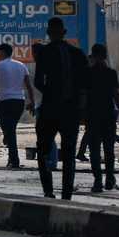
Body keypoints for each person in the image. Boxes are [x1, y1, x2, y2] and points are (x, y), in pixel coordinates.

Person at [33, 17, 87, 200]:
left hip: (50, 108)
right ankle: (67, 193)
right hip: (71, 110)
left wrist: (50, 93)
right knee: (69, 153)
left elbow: (38, 81)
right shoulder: (78, 54)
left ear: (49, 33)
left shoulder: (45, 53)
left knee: (43, 150)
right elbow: (84, 86)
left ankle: (48, 190)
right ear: (64, 33)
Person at [0, 43, 34, 168]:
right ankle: (11, 155)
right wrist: (32, 102)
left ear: (3, 52)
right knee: (10, 127)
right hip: (19, 101)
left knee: (8, 128)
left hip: (4, 101)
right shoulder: (21, 65)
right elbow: (29, 86)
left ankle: (14, 160)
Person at [85, 43, 119, 193]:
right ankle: (109, 178)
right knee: (109, 149)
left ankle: (98, 180)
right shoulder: (111, 73)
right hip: (108, 115)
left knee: (94, 150)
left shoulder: (87, 73)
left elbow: (83, 95)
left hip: (93, 115)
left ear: (92, 56)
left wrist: (81, 115)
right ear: (105, 56)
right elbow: (116, 95)